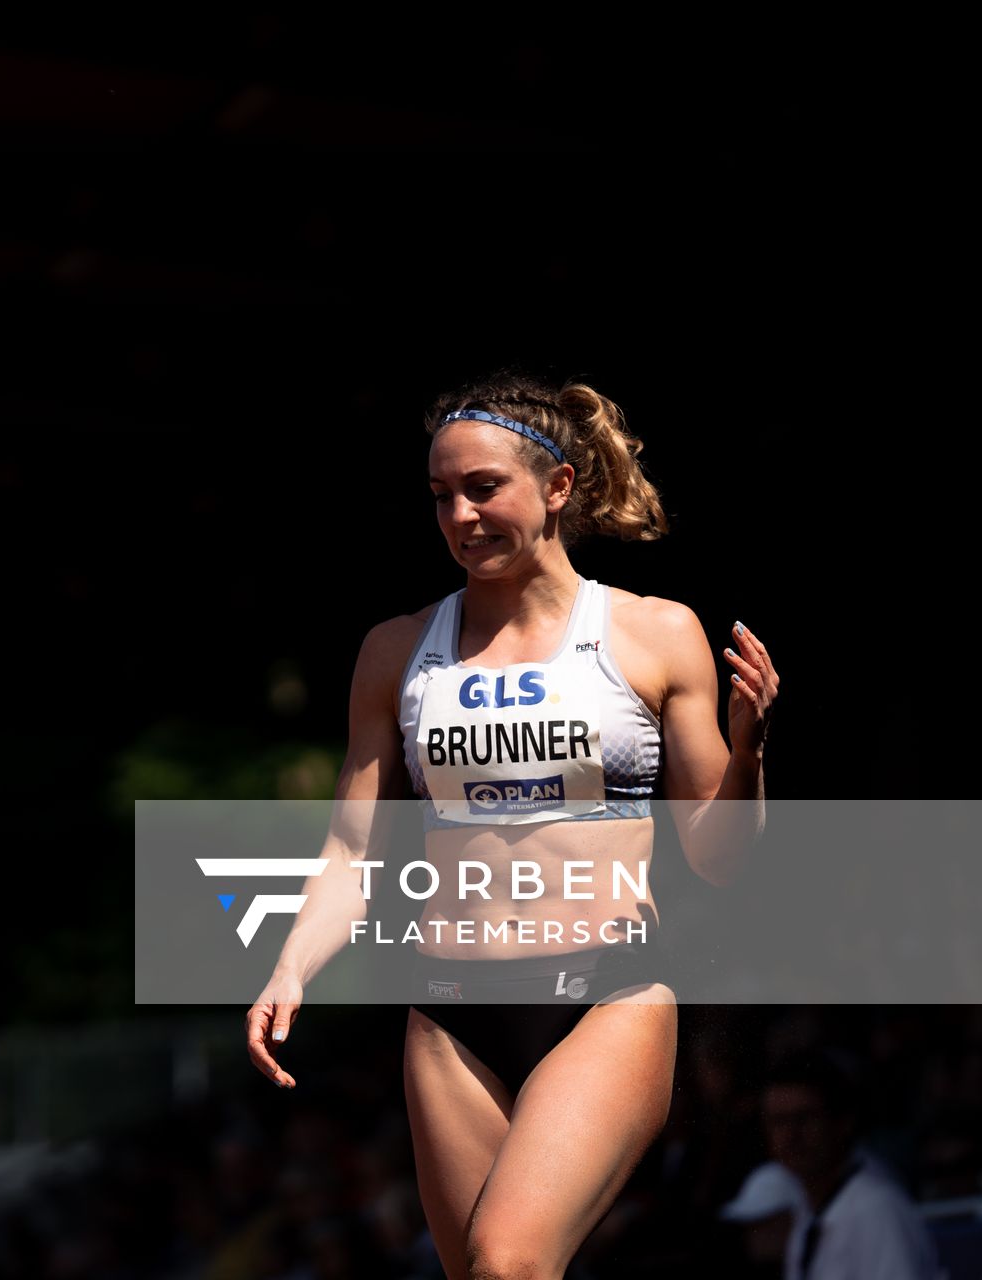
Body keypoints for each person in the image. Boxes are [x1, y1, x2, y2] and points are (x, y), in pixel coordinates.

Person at [243, 370, 778, 1278]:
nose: (460, 516)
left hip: (606, 997)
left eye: (484, 488)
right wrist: (291, 963)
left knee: (508, 1260)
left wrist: (749, 751)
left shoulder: (652, 634)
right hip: (449, 1014)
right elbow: (351, 845)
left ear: (559, 486)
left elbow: (719, 860)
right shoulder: (397, 650)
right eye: (441, 496)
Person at [761, 1050, 940, 1280]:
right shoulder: (809, 1213)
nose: (791, 1135)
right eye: (778, 1121)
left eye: (805, 1118)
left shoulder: (877, 1211)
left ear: (843, 1122)